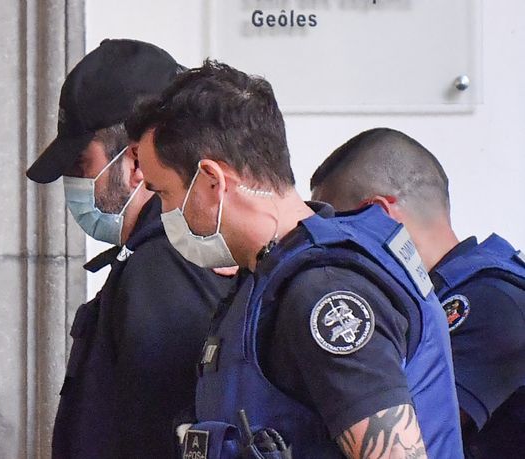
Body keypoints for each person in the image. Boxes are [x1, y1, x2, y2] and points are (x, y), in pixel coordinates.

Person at [126, 61, 463, 458]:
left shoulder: (324, 292)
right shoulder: (267, 277)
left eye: (164, 193)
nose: (165, 214)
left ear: (212, 181)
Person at [26, 39, 234, 458]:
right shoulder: (159, 255)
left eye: (81, 166)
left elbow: (158, 434)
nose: (76, 184)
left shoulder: (164, 265)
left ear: (136, 162)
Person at [310, 127, 525, 458]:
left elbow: (396, 438)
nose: (335, 249)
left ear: (380, 214)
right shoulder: (433, 299)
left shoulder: (491, 302)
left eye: (340, 229)